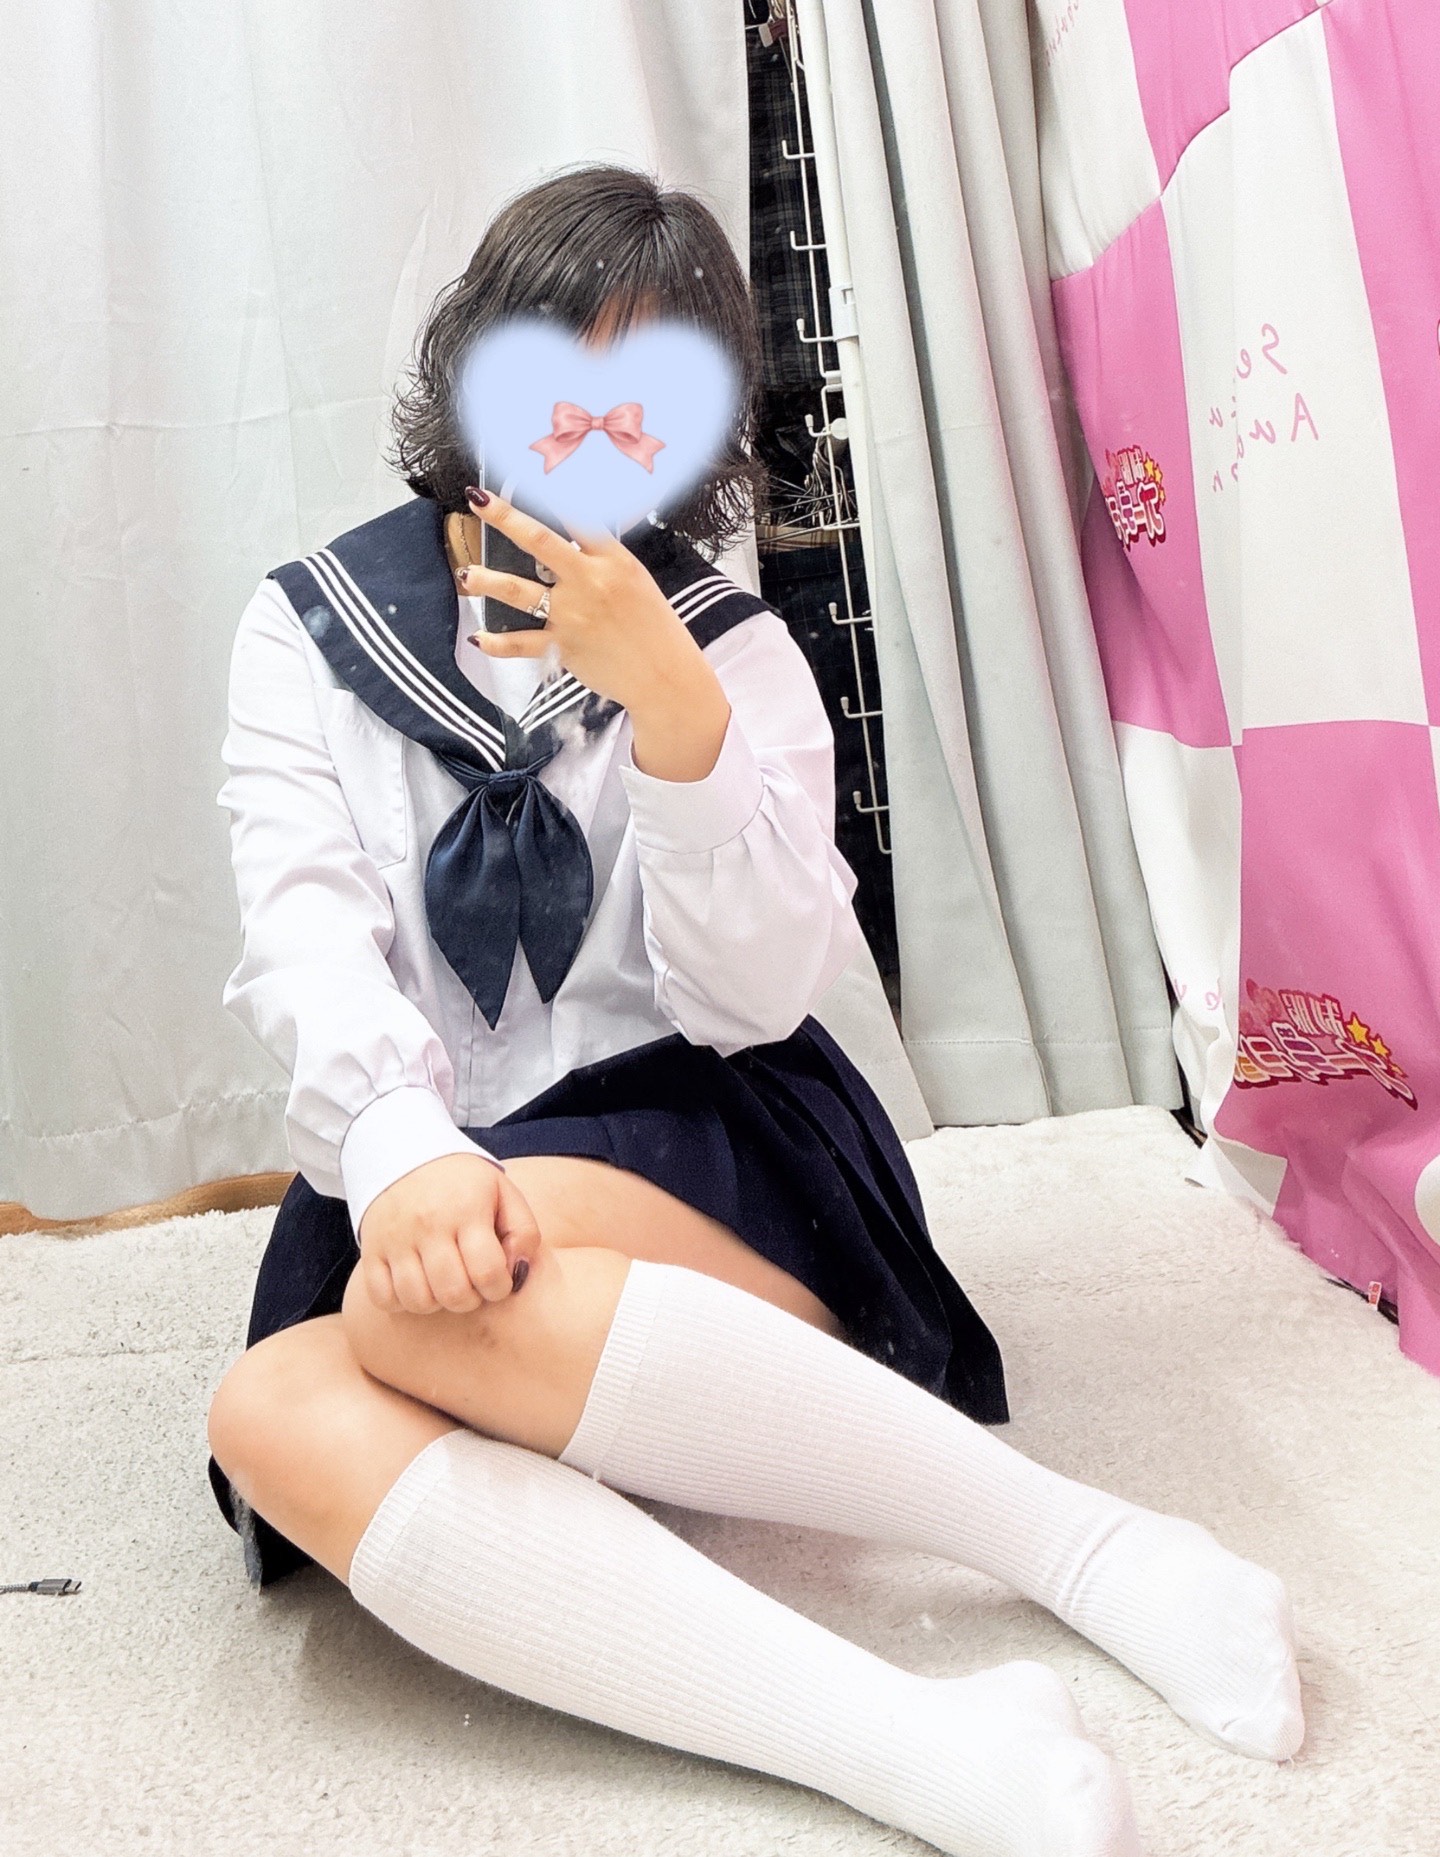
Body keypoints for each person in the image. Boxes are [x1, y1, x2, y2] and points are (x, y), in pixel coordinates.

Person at [205, 166, 1301, 1857]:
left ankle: (1093, 1544)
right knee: (267, 1409)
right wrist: (404, 1148)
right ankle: (914, 1744)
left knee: (444, 1305)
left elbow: (754, 997)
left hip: (712, 1135)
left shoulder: (731, 648)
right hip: (426, 1153)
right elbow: (303, 929)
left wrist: (675, 714)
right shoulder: (304, 629)